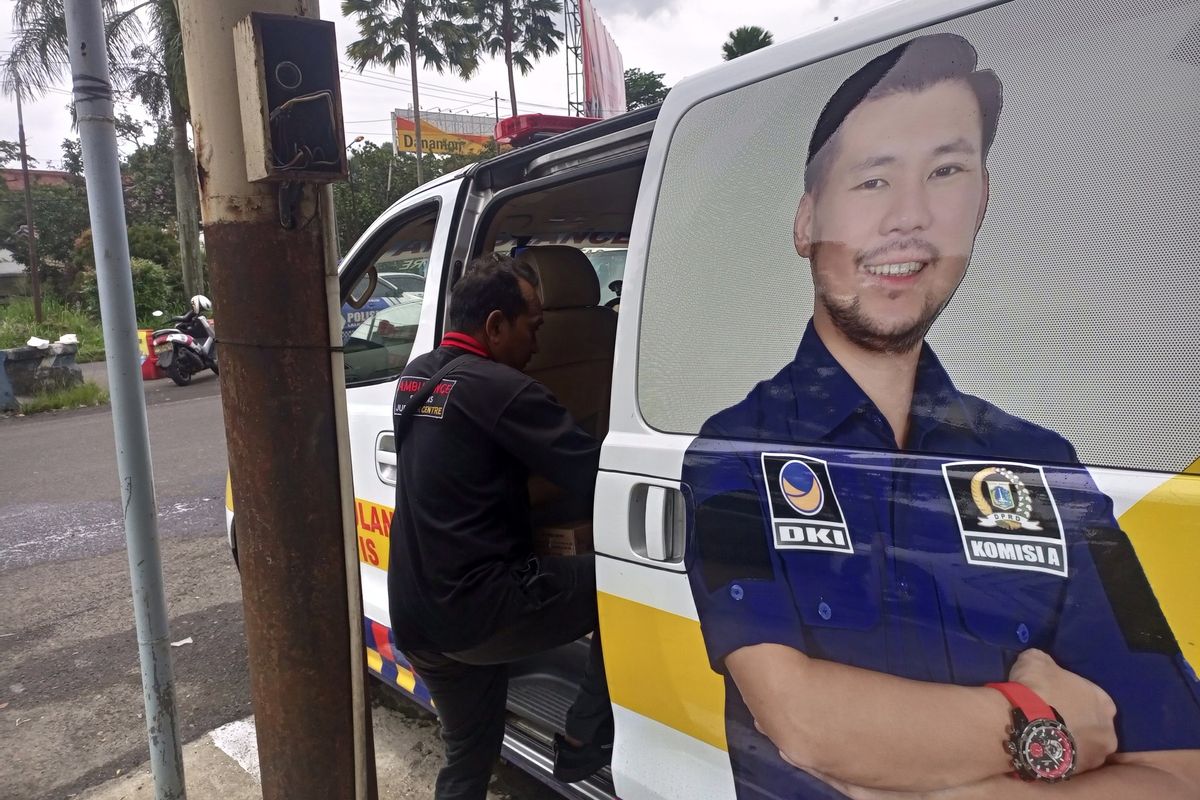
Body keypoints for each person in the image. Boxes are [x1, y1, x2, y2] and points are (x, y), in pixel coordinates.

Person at [682, 32, 1200, 800]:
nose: (911, 216)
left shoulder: (1046, 468)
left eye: (947, 171)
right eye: (871, 181)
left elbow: (1178, 769)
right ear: (805, 221)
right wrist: (1037, 718)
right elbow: (804, 723)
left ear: (981, 201)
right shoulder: (734, 452)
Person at [387, 253, 613, 799]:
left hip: (417, 617)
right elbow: (601, 479)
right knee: (624, 583)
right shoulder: (505, 390)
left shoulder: (415, 377)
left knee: (468, 755)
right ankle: (587, 735)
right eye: (532, 327)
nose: (537, 344)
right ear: (494, 325)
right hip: (480, 612)